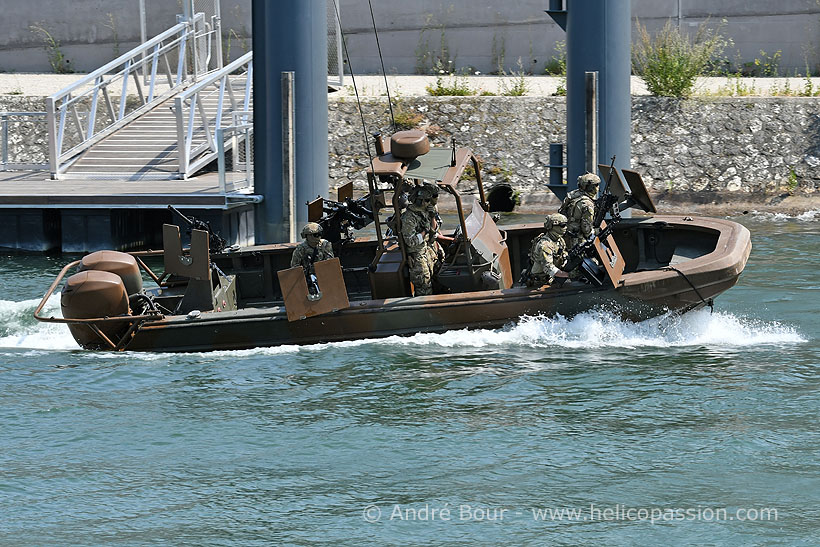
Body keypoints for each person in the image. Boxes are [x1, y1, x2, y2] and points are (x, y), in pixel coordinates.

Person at [400, 186, 438, 296]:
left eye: (428, 200)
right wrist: (424, 232)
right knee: (424, 286)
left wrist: (432, 217)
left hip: (427, 250)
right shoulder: (409, 218)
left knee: (435, 278)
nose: (427, 203)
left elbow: (434, 230)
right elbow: (410, 241)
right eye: (426, 200)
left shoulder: (425, 212)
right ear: (419, 200)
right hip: (417, 256)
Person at [525, 213, 569, 287]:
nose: (565, 228)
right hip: (539, 283)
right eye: (562, 225)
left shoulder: (559, 240)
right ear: (553, 226)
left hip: (552, 278)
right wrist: (566, 274)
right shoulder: (545, 245)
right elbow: (548, 267)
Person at [559, 172, 600, 250]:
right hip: (577, 241)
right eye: (596, 185)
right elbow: (586, 229)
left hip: (565, 235)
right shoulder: (587, 204)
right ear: (591, 187)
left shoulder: (572, 195)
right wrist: (596, 231)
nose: (598, 188)